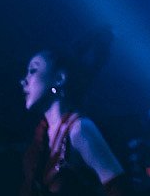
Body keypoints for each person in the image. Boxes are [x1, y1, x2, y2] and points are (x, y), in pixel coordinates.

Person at [19, 27, 129, 195]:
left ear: (59, 78)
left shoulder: (80, 129)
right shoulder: (42, 137)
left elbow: (119, 189)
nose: (23, 81)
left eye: (33, 70)